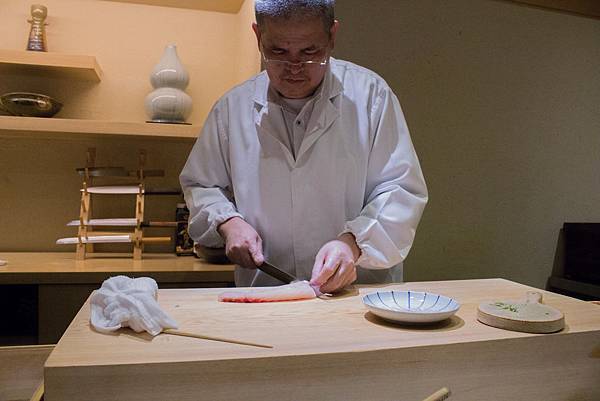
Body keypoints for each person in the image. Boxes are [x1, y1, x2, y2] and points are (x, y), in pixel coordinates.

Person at [180, 0, 427, 294]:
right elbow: (201, 186)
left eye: (310, 52)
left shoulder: (371, 97)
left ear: (332, 36)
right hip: (266, 292)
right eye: (278, 52)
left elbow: (400, 191)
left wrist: (353, 244)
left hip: (359, 297)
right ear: (259, 36)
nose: (294, 67)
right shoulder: (231, 110)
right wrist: (229, 222)